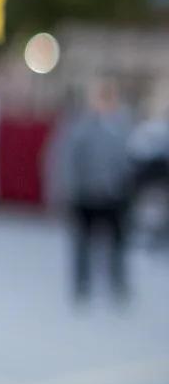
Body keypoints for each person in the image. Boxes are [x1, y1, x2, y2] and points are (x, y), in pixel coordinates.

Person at [60, 79, 134, 301]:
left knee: (117, 243)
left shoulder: (122, 126)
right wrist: (71, 189)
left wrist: (125, 187)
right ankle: (82, 284)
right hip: (86, 194)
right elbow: (68, 160)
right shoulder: (81, 127)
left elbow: (128, 160)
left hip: (114, 195)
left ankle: (117, 282)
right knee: (82, 243)